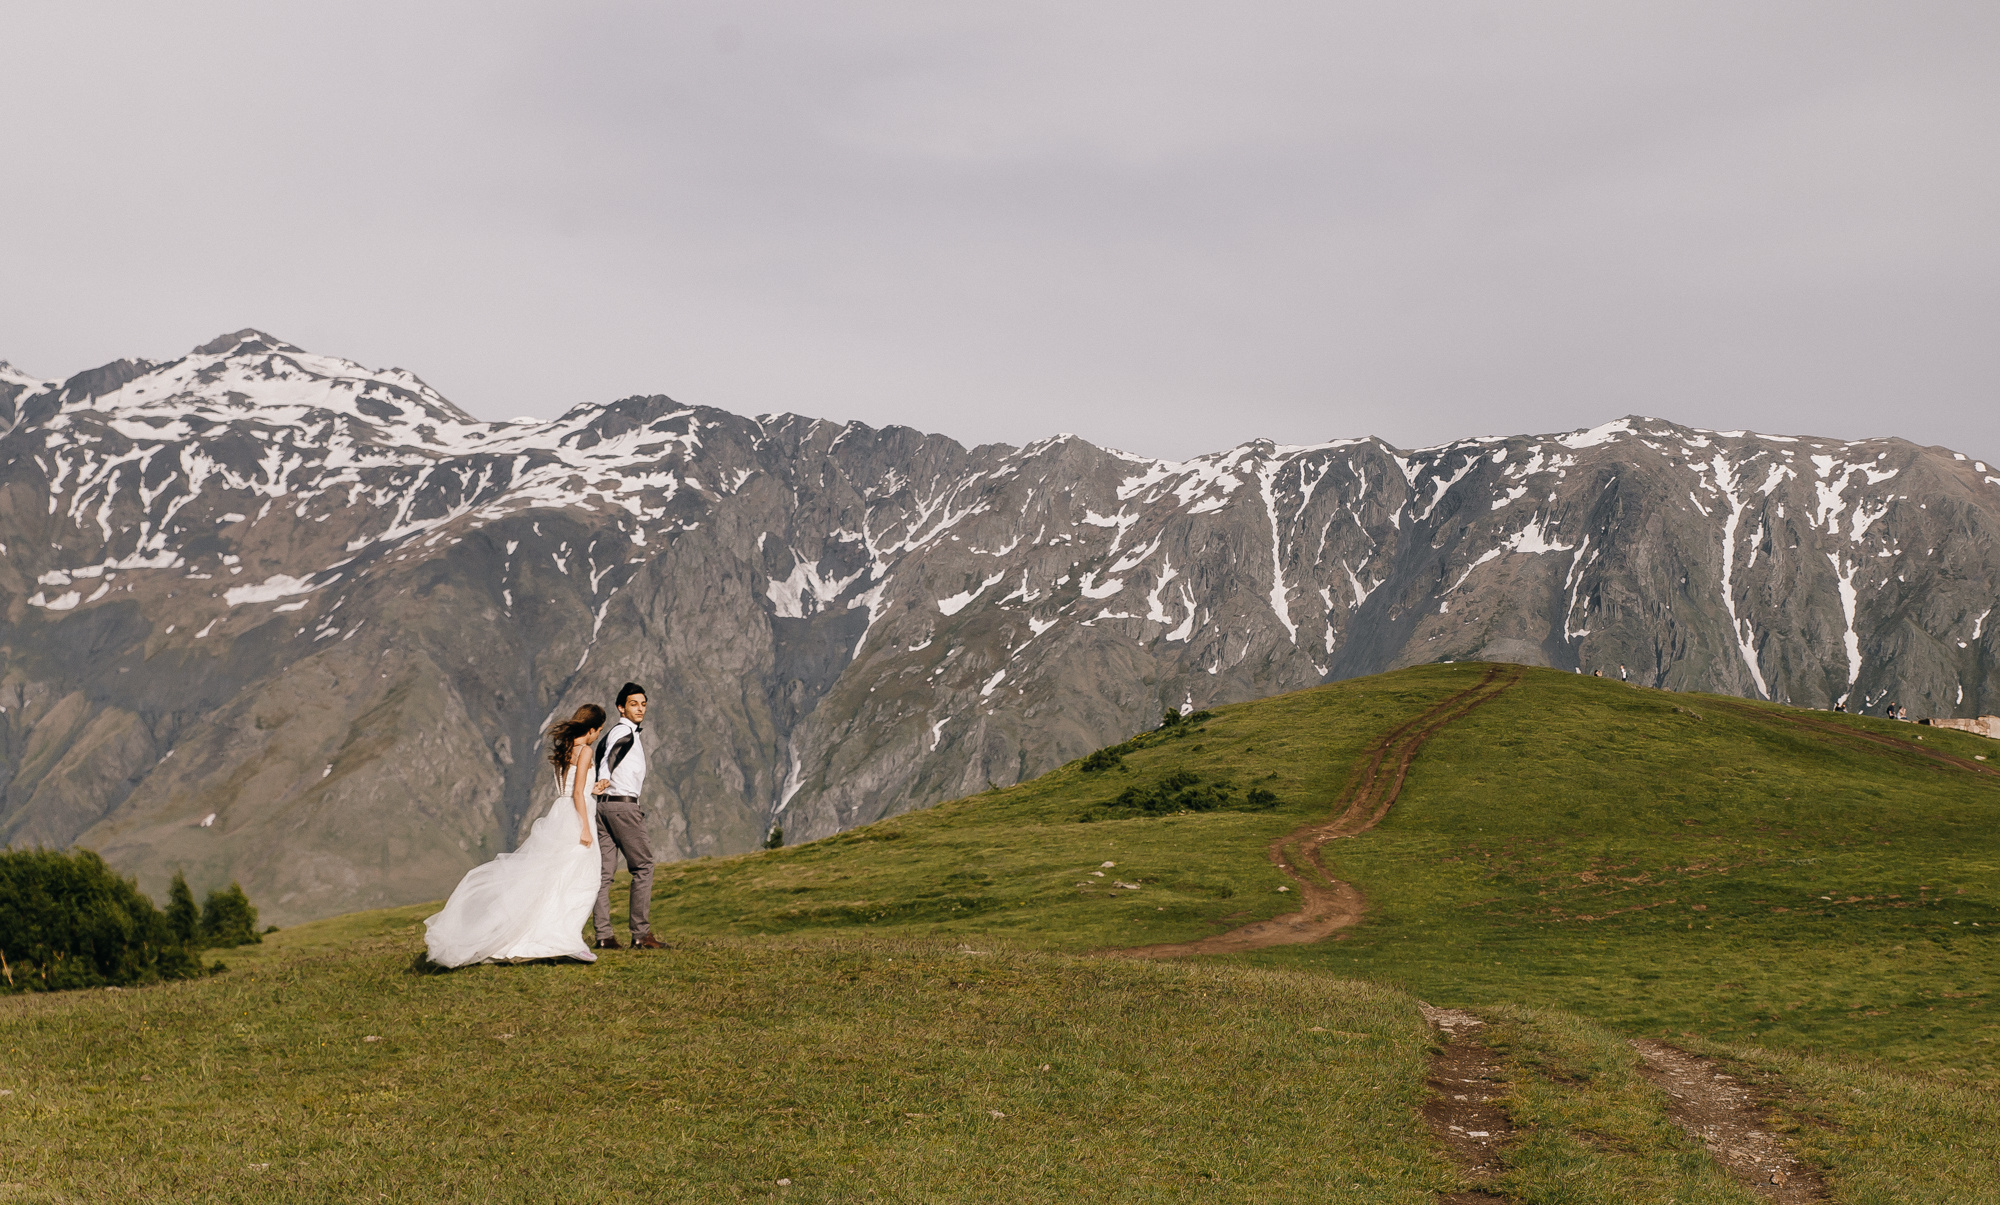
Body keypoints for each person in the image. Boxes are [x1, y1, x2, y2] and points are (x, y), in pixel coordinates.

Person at [423, 705, 605, 967]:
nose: (597, 736)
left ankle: (554, 935)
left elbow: (574, 789)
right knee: (581, 878)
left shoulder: (565, 748)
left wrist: (593, 789)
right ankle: (564, 938)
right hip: (576, 817)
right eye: (598, 731)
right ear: (591, 729)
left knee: (556, 877)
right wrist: (585, 828)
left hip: (561, 813)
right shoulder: (586, 750)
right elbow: (578, 793)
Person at [591, 682, 662, 950]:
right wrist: (604, 779)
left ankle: (604, 936)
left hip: (603, 807)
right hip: (622, 806)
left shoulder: (615, 732)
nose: (640, 708)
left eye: (643, 704)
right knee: (643, 867)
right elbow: (610, 757)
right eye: (634, 703)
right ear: (621, 707)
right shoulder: (625, 733)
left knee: (604, 874)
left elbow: (604, 754)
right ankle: (641, 935)